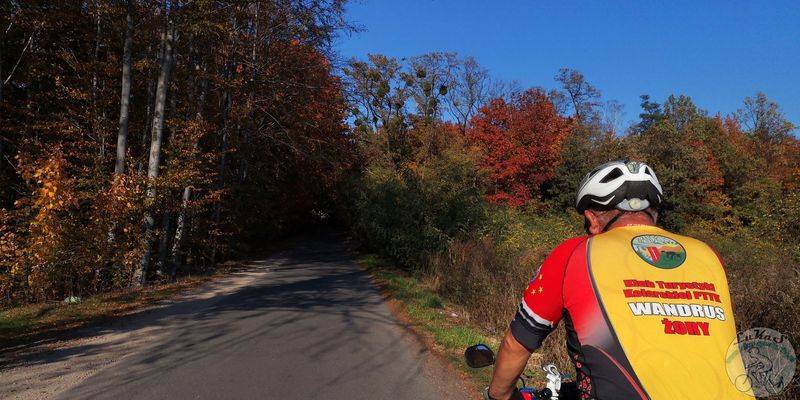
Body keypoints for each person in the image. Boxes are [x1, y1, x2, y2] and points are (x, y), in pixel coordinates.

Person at [486, 160, 753, 400]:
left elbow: (518, 342)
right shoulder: (708, 255)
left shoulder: (575, 253)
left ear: (592, 219)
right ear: (654, 214)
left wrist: (498, 394)